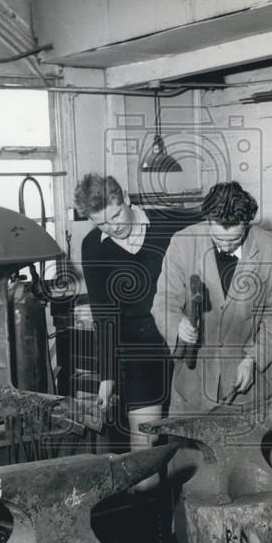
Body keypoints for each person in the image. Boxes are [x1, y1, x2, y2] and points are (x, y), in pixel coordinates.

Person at [152, 181, 272, 415]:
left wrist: (253, 359)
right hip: (194, 385)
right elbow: (164, 301)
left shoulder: (271, 248)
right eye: (218, 239)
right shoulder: (182, 242)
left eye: (234, 241)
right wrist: (178, 325)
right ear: (207, 220)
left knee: (248, 451)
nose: (226, 246)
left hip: (251, 383)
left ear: (246, 224)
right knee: (194, 451)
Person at [74, 174, 176, 454]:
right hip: (137, 350)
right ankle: (150, 497)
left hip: (184, 342)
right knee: (145, 446)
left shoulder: (170, 225)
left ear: (127, 199)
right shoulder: (93, 246)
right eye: (101, 222)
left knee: (191, 439)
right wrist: (107, 376)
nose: (113, 226)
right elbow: (104, 315)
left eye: (116, 215)